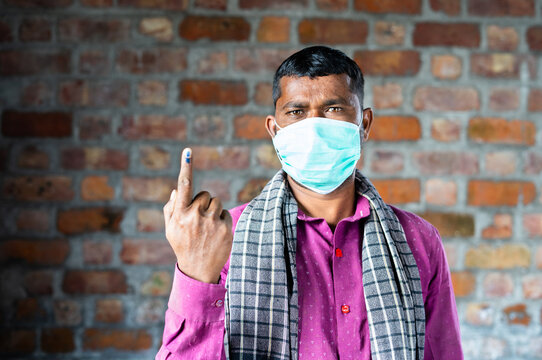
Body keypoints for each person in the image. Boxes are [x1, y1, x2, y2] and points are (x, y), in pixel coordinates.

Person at [157, 46, 463, 360]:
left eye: (333, 109)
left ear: (364, 124)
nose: (314, 127)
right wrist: (195, 276)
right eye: (297, 112)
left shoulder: (418, 240)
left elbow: (444, 352)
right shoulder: (224, 238)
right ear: (274, 131)